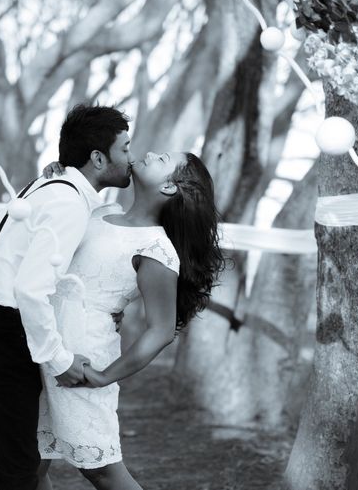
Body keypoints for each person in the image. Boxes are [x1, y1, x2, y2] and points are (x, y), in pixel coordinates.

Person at [0, 104, 134, 490]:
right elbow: (31, 289)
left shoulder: (50, 184)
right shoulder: (69, 203)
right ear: (98, 158)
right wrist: (59, 359)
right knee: (19, 465)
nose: (131, 158)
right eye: (125, 148)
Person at [35, 152, 225, 490]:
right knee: (28, 461)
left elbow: (161, 330)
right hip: (40, 339)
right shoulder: (102, 211)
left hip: (83, 356)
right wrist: (56, 179)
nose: (149, 153)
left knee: (101, 469)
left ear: (169, 186)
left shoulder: (156, 249)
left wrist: (105, 376)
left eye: (162, 158)